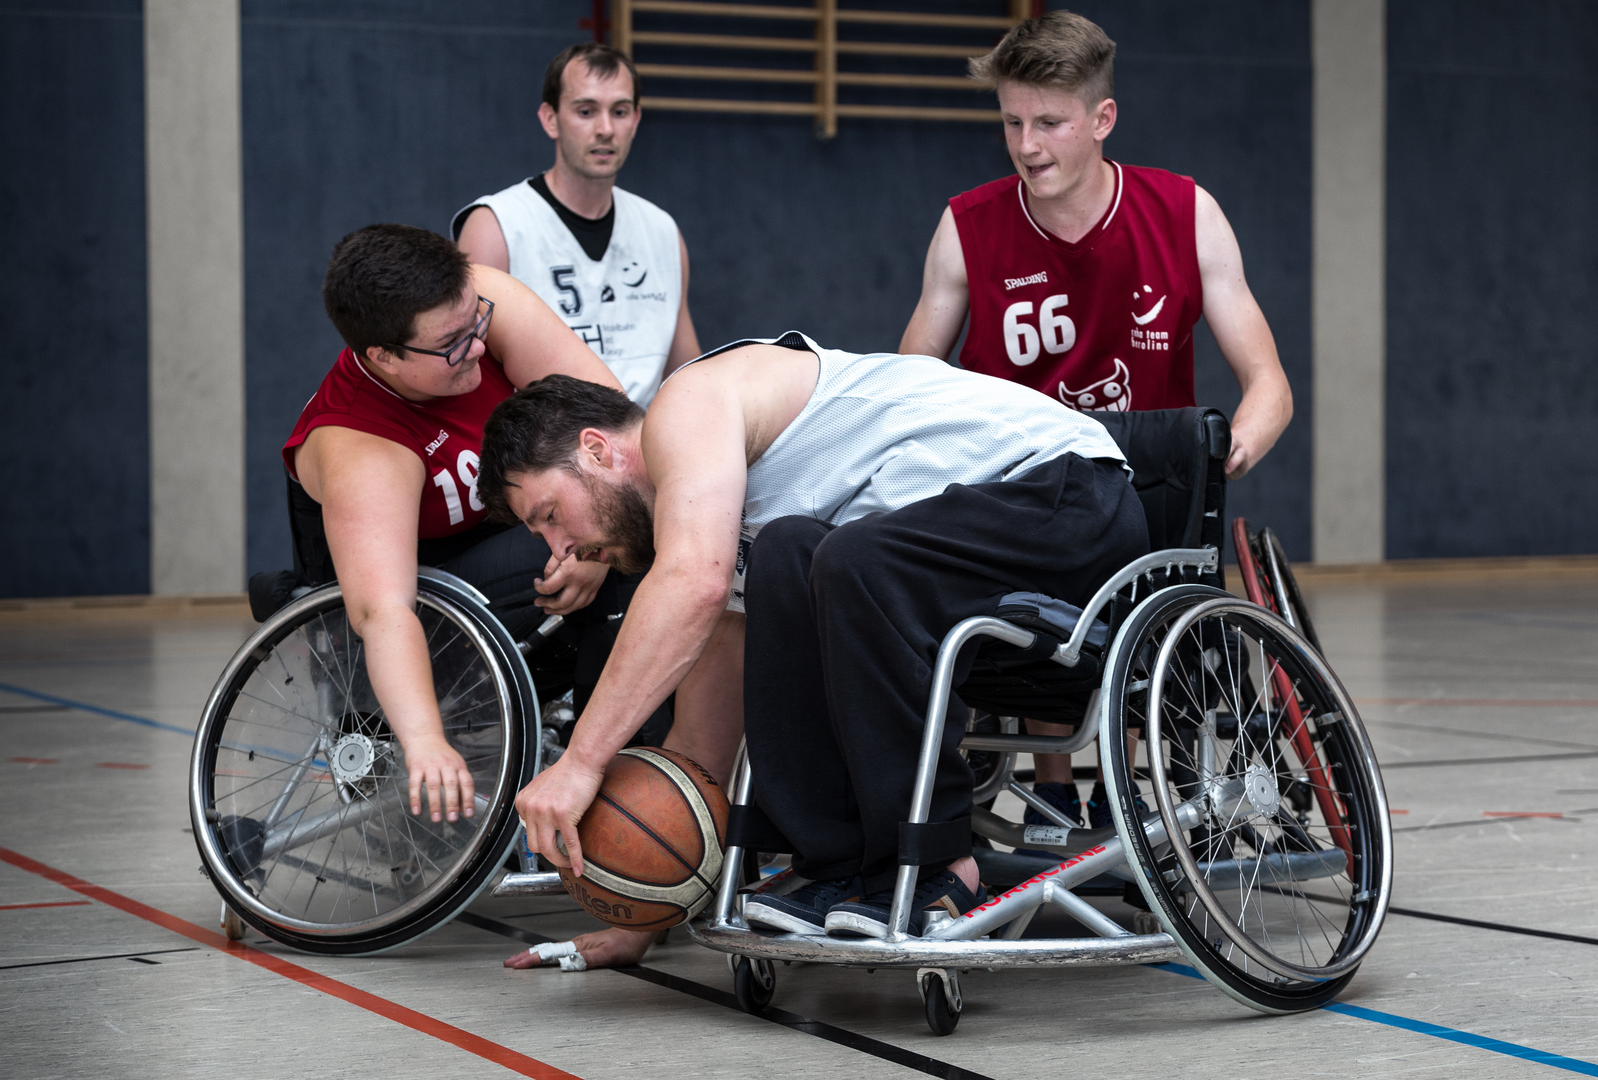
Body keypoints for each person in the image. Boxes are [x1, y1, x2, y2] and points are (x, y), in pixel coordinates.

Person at [481, 331, 1146, 959]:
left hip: (1065, 494)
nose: (559, 549)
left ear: (598, 450)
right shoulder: (723, 517)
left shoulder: (687, 407)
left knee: (848, 556)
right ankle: (836, 865)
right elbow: (699, 748)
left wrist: (579, 763)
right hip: (931, 551)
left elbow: (692, 584)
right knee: (788, 552)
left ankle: (943, 858)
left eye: (549, 515)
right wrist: (645, 906)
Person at [898, 10, 1293, 831]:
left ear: (1102, 118)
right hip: (1023, 497)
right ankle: (1052, 789)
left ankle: (1142, 782)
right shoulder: (967, 228)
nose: (1027, 144)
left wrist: (1230, 450)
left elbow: (1270, 384)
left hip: (1148, 499)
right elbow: (911, 385)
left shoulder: (1185, 214)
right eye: (1012, 122)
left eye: (1050, 122)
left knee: (1144, 563)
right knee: (1024, 567)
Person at [279, 224, 690, 834]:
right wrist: (423, 741)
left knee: (646, 526)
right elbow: (383, 614)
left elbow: (607, 424)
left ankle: (647, 773)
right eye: (451, 344)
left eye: (476, 323)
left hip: (517, 547)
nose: (476, 346)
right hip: (420, 603)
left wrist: (596, 544)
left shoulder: (481, 306)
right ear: (384, 356)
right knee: (640, 556)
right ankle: (629, 798)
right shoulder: (360, 447)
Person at [452, 42, 699, 408]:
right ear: (550, 118)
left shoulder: (662, 231)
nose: (605, 129)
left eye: (619, 111)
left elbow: (687, 374)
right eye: (586, 111)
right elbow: (470, 380)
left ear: (636, 119)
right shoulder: (495, 227)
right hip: (541, 453)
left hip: (644, 446)